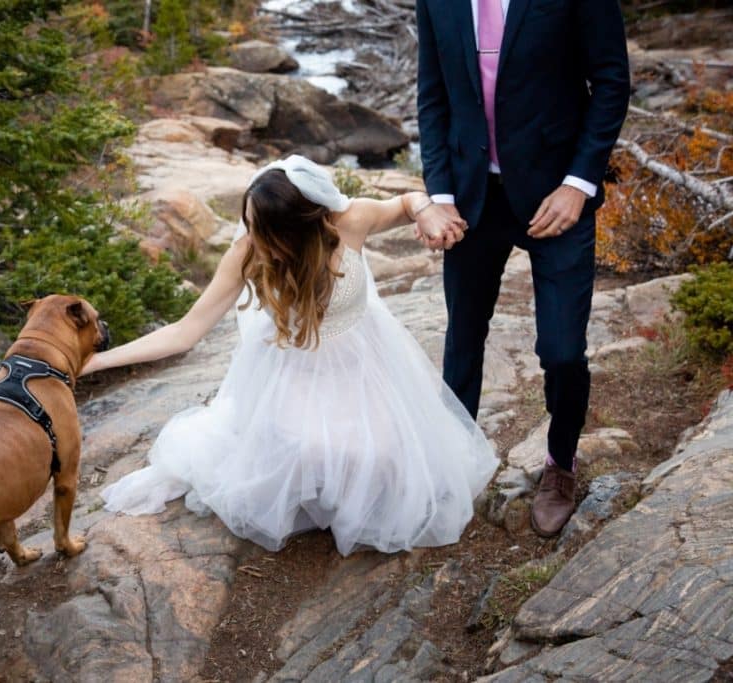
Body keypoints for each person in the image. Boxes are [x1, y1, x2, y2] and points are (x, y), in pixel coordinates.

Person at [81, 155, 498, 556]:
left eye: (262, 229)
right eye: (248, 224)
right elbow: (185, 332)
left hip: (364, 364)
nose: (250, 237)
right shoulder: (247, 252)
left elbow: (405, 203)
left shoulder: (350, 221)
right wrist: (98, 360)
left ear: (302, 226)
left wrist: (425, 208)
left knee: (382, 458)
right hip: (293, 373)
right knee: (311, 452)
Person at [416, 0, 630, 535]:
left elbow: (610, 82)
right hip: (470, 196)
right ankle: (452, 466)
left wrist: (580, 184)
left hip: (557, 194)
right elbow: (432, 95)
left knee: (561, 351)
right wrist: (439, 195)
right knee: (462, 339)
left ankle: (560, 463)